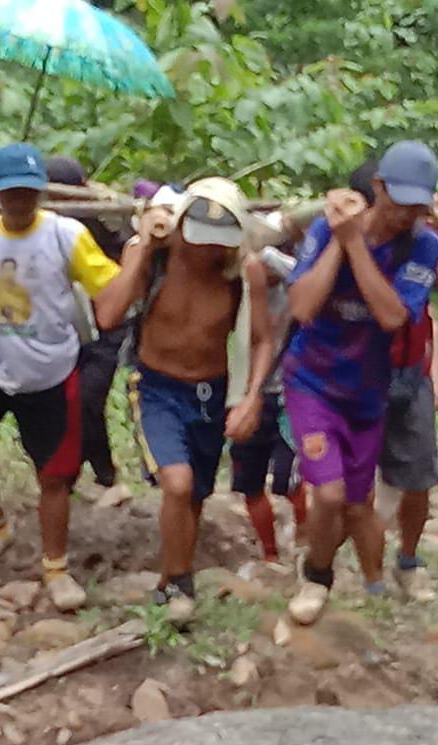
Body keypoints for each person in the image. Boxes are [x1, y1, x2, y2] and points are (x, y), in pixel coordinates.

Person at [0, 143, 136, 611]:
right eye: (11, 192)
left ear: (41, 191)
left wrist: (143, 249)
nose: (20, 201)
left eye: (28, 192)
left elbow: (112, 291)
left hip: (50, 374)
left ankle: (55, 566)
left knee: (55, 479)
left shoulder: (66, 235)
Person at [93, 177, 274, 625]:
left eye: (218, 242)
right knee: (175, 483)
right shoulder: (156, 259)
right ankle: (178, 582)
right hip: (156, 387)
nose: (206, 250)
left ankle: (172, 580)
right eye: (199, 239)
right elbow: (108, 314)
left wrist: (250, 398)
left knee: (193, 495)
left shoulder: (242, 273)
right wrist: (142, 253)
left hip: (211, 394)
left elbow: (261, 339)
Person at [283, 141, 438, 624]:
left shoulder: (424, 245)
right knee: (327, 495)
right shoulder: (322, 229)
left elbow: (393, 316)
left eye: (418, 207)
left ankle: (370, 578)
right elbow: (303, 307)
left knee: (357, 502)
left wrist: (356, 244)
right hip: (312, 382)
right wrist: (340, 238)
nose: (406, 215)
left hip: (368, 394)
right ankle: (316, 576)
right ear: (377, 189)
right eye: (398, 203)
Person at [346, 158, 438, 601]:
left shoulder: (423, 244)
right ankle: (368, 573)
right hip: (354, 372)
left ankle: (408, 559)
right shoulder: (342, 239)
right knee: (354, 482)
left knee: (418, 477)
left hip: (407, 375)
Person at [46, 156, 132, 493]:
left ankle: (75, 477)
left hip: (110, 324)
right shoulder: (47, 223)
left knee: (86, 398)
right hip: (68, 324)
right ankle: (103, 473)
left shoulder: (106, 215)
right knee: (76, 403)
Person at [230, 243, 307, 563]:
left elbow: (303, 274)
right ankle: (270, 554)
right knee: (249, 483)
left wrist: (268, 259)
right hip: (246, 395)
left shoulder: (297, 291)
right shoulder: (237, 293)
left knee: (289, 480)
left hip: (290, 395)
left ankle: (306, 540)